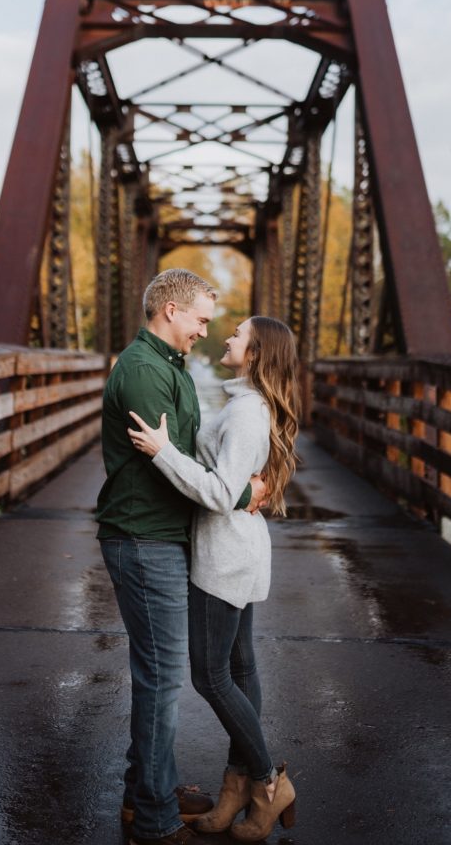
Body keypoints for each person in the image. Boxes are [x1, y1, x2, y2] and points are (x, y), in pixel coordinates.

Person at [97, 269, 266, 845]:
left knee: (159, 678)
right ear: (170, 309)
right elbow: (167, 467)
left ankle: (145, 791)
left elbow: (187, 453)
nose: (205, 330)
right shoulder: (145, 372)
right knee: (163, 679)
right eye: (199, 318)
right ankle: (154, 818)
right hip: (143, 539)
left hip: (161, 536)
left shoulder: (169, 367)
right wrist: (242, 493)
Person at [128, 315, 300, 843]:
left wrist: (165, 454)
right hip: (241, 551)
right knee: (240, 666)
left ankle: (269, 782)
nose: (227, 336)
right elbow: (236, 486)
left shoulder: (247, 414)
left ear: (256, 352)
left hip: (223, 558)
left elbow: (223, 494)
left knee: (211, 676)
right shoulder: (248, 406)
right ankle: (236, 788)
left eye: (238, 334)